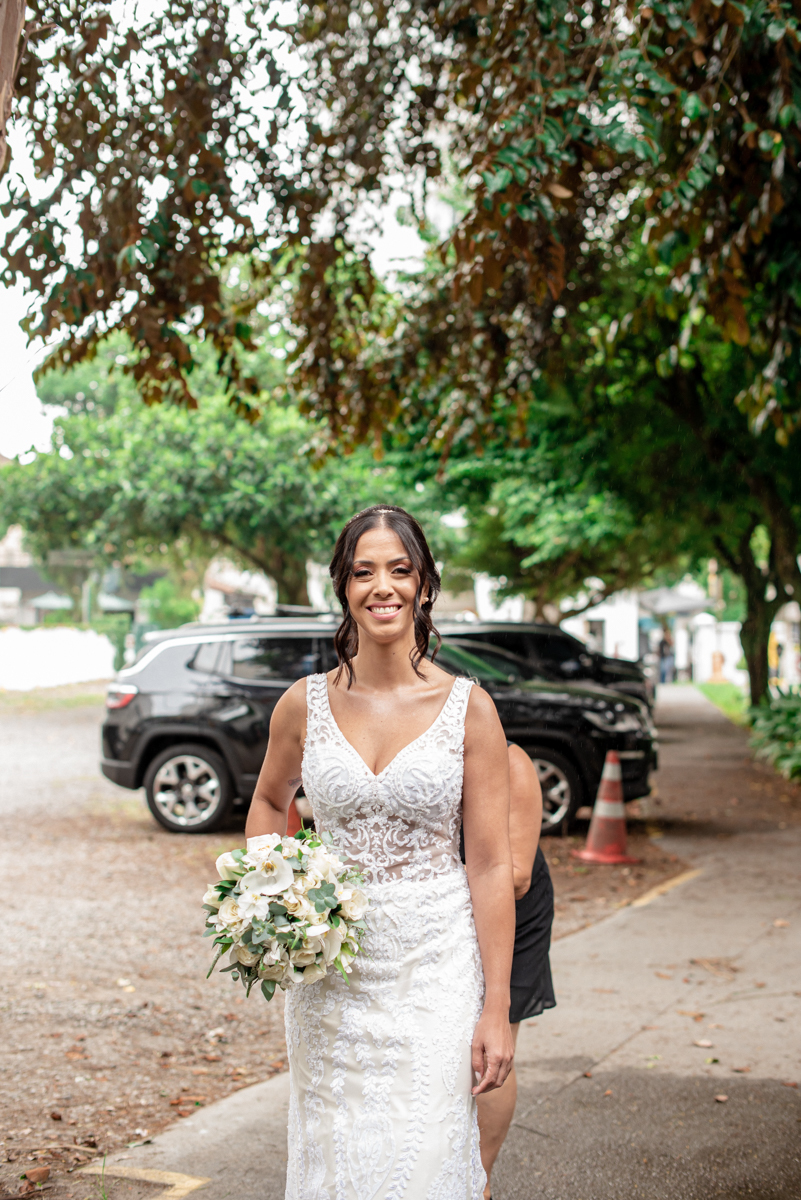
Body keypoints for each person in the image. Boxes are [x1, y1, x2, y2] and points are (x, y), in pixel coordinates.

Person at [246, 505, 516, 1199]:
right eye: (363, 572)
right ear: (343, 587)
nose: (382, 586)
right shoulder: (302, 704)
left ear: (424, 584)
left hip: (435, 965)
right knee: (337, 1155)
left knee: (425, 1155)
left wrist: (497, 1006)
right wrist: (276, 899)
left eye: (399, 569)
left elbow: (490, 865)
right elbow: (269, 802)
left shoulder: (469, 709)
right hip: (331, 975)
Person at [471, 745, 555, 1199]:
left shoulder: (510, 762)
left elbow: (517, 876)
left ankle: (479, 1178)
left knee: (489, 1049)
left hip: (512, 911)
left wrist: (426, 889)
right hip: (448, 906)